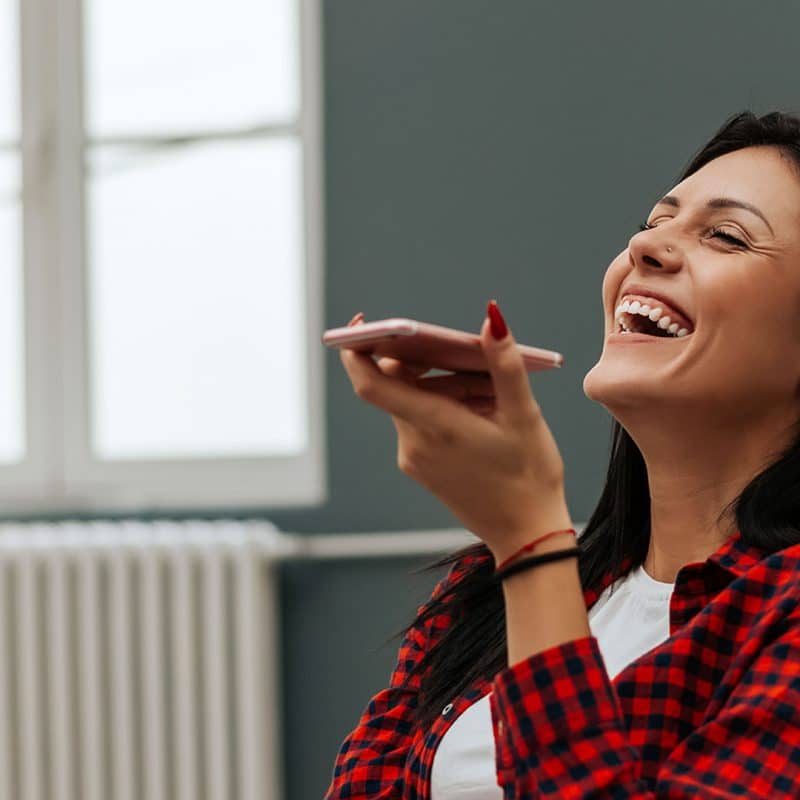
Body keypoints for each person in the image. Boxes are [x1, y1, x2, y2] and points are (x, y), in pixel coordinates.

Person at [325, 110, 800, 798]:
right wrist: (526, 554)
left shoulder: (778, 613)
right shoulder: (483, 593)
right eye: (651, 223)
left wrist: (530, 542)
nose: (648, 249)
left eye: (726, 236)